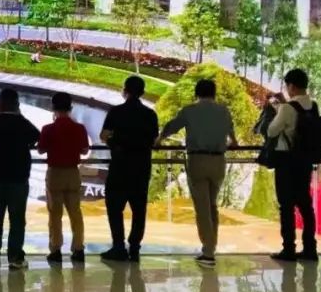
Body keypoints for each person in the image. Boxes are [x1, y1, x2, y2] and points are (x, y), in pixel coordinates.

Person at [157, 78, 238, 267]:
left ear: (197, 93)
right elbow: (232, 138)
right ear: (214, 93)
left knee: (202, 208)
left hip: (197, 160)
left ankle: (208, 253)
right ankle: (211, 247)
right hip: (219, 161)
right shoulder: (223, 111)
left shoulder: (190, 110)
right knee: (212, 205)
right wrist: (231, 142)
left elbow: (171, 127)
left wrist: (159, 139)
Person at [0, 88, 39, 269]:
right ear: (17, 105)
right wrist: (19, 115)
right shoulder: (22, 123)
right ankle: (15, 258)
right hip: (18, 180)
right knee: (17, 220)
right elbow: (36, 136)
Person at [100, 76, 159, 262]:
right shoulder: (150, 114)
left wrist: (113, 142)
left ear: (125, 90)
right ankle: (134, 247)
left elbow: (104, 135)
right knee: (139, 209)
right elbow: (154, 141)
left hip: (120, 166)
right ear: (142, 92)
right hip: (141, 167)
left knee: (114, 207)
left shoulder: (116, 111)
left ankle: (118, 246)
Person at [264, 68, 320, 262]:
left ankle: (289, 248)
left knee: (286, 206)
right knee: (305, 205)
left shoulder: (287, 108)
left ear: (292, 86)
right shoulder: (313, 106)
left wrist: (278, 109)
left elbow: (272, 131)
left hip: (286, 161)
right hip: (305, 161)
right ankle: (310, 248)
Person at [38, 92, 90, 265]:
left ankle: (56, 250)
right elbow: (84, 150)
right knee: (75, 212)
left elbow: (41, 149)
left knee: (55, 214)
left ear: (53, 108)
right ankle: (78, 248)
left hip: (55, 173)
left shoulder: (48, 129)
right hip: (73, 173)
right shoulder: (79, 128)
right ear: (70, 108)